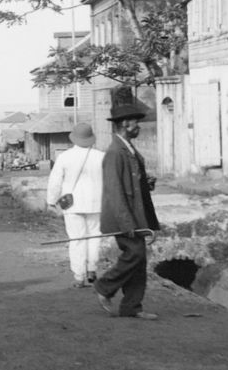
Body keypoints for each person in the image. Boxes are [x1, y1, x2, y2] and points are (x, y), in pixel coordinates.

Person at [93, 104, 161, 320]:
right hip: (124, 218)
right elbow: (114, 191)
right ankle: (104, 287)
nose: (139, 126)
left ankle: (132, 307)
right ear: (124, 124)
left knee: (139, 262)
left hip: (137, 215)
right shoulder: (114, 153)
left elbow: (131, 182)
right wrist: (126, 223)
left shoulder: (128, 148)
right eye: (135, 122)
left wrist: (144, 182)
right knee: (135, 254)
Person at [46, 123, 105, 288]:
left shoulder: (65, 157)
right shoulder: (101, 156)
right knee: (94, 237)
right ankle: (92, 269)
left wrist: (51, 201)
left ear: (74, 138)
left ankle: (79, 276)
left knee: (77, 239)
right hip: (96, 203)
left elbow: (55, 181)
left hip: (72, 205)